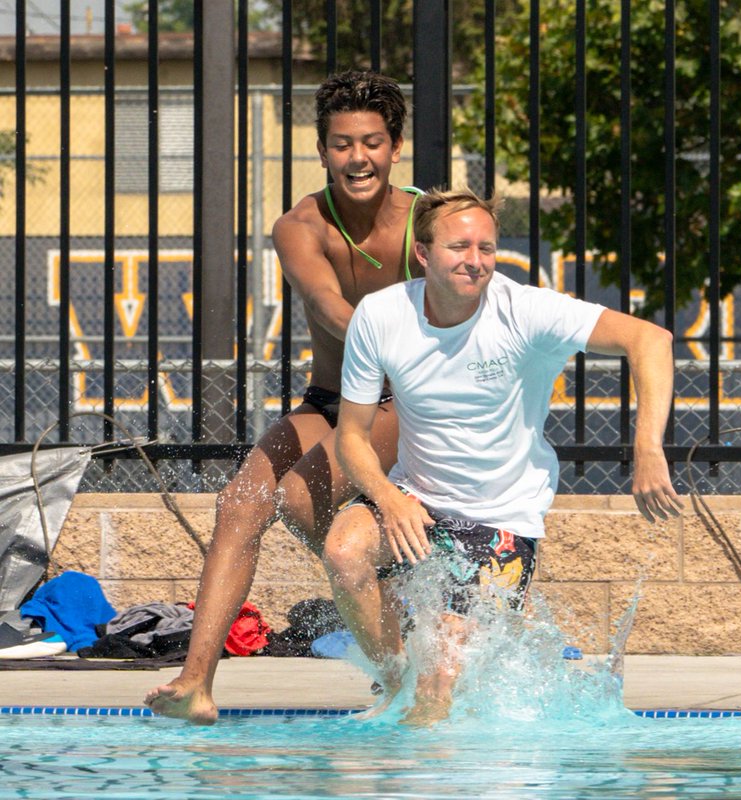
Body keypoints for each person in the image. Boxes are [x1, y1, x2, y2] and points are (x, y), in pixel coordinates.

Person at [324, 187, 683, 724]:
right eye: (459, 247)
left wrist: (647, 446)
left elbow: (650, 339)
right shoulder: (380, 315)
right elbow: (351, 435)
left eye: (487, 248)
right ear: (423, 253)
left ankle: (432, 702)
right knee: (344, 551)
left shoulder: (525, 311)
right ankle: (397, 682)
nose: (475, 261)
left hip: (500, 517)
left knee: (439, 693)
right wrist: (387, 499)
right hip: (416, 499)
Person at [145, 70, 421, 724]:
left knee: (298, 496)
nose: (359, 159)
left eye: (373, 143)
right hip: (330, 396)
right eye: (343, 144)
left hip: (399, 400)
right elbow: (328, 305)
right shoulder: (300, 225)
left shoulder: (426, 222)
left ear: (396, 147)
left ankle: (399, 653)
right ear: (322, 150)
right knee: (241, 500)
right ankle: (196, 683)